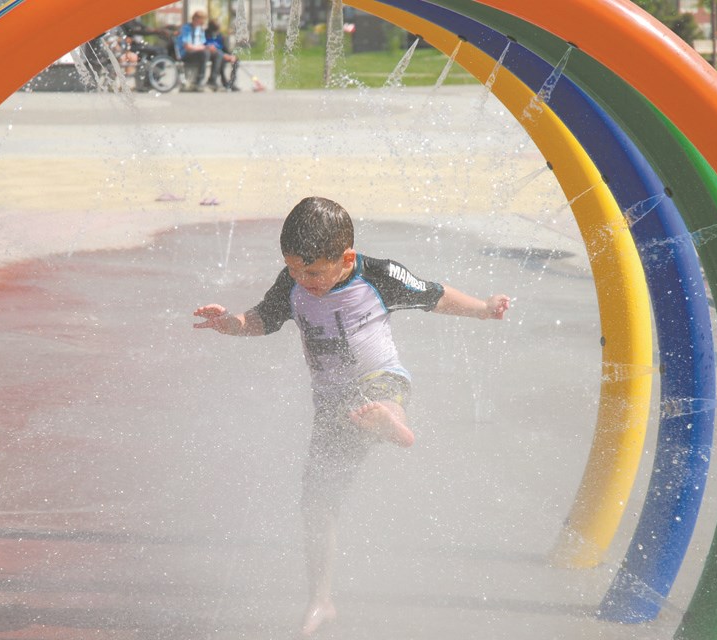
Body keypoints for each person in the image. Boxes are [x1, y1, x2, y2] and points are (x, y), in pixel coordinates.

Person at [192, 197, 510, 636]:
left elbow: (433, 296)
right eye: (296, 270)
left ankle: (391, 422)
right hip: (332, 406)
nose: (304, 281)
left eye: (314, 272)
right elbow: (264, 318)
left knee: (384, 395)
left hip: (381, 379)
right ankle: (321, 600)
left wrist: (483, 308)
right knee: (317, 503)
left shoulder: (378, 275)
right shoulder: (292, 280)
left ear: (346, 258)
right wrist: (230, 322)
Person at [177, 10, 221, 92]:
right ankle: (199, 81)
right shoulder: (186, 28)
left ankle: (212, 80)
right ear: (196, 19)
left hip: (199, 52)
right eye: (201, 20)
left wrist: (208, 47)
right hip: (186, 54)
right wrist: (204, 48)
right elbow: (188, 47)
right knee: (205, 53)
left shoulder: (200, 29)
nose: (203, 22)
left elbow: (202, 44)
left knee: (217, 54)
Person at [205, 19, 240, 92]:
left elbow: (225, 49)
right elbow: (206, 46)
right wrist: (224, 55)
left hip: (222, 55)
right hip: (211, 55)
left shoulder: (220, 36)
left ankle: (232, 82)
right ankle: (217, 81)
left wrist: (231, 56)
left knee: (235, 60)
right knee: (220, 58)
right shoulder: (205, 34)